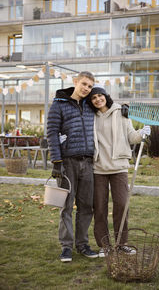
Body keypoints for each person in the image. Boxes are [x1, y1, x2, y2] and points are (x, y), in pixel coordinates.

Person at [87, 86, 151, 257]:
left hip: (119, 167)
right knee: (99, 208)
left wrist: (141, 133)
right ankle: (104, 246)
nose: (97, 100)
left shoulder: (122, 112)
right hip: (98, 168)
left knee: (122, 205)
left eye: (100, 96)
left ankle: (122, 244)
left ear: (105, 96)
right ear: (91, 101)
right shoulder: (90, 116)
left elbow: (131, 136)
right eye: (93, 98)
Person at [47, 71, 99, 262]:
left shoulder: (90, 105)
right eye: (84, 84)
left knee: (86, 206)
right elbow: (51, 133)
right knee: (66, 206)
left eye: (90, 86)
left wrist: (121, 108)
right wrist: (56, 161)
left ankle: (83, 244)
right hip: (67, 162)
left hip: (88, 162)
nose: (87, 89)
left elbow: (107, 106)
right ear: (75, 82)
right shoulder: (58, 104)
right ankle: (66, 247)